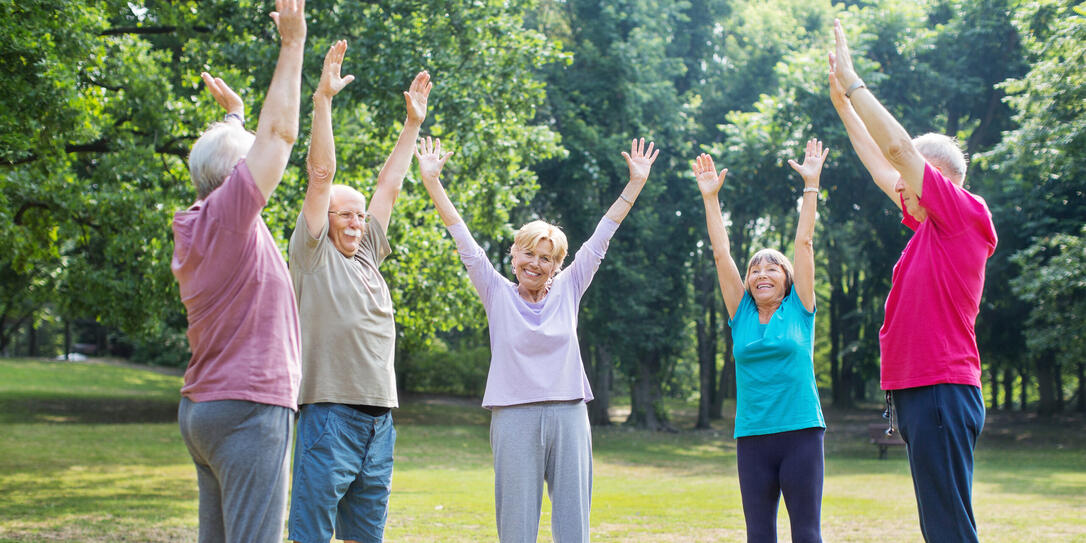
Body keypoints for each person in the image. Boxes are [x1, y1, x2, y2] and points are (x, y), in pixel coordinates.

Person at [415, 136, 659, 542]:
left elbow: (603, 235)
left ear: (557, 265)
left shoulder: (570, 287)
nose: (535, 263)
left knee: (573, 523)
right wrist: (432, 182)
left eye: (546, 258)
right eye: (528, 254)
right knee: (516, 525)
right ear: (514, 256)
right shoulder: (494, 291)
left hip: (568, 414)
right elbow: (462, 237)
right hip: (513, 417)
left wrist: (634, 184)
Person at [829, 19, 998, 543]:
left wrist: (855, 82)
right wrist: (843, 106)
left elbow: (898, 152)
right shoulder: (929, 226)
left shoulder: (964, 215)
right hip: (922, 391)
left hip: (942, 387)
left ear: (937, 179)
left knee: (949, 526)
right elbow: (885, 166)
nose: (896, 188)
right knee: (940, 522)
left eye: (910, 180)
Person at [285, 38, 432, 543]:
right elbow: (321, 174)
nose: (357, 221)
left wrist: (412, 123)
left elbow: (388, 186)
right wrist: (322, 101)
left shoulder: (367, 253)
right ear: (323, 220)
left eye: (359, 215)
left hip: (380, 423)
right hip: (329, 416)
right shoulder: (312, 253)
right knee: (311, 536)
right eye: (346, 214)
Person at [170, 1, 306, 542]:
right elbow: (277, 139)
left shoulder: (202, 224)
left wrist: (232, 119)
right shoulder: (229, 221)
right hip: (248, 409)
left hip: (205, 409)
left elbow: (226, 163)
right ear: (235, 178)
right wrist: (292, 45)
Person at [694, 139, 829, 543]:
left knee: (806, 533)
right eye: (755, 270)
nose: (761, 274)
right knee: (759, 535)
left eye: (772, 268)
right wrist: (710, 199)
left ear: (787, 279)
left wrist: (811, 184)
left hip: (801, 433)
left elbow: (803, 242)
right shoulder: (742, 314)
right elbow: (721, 254)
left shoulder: (800, 309)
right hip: (752, 436)